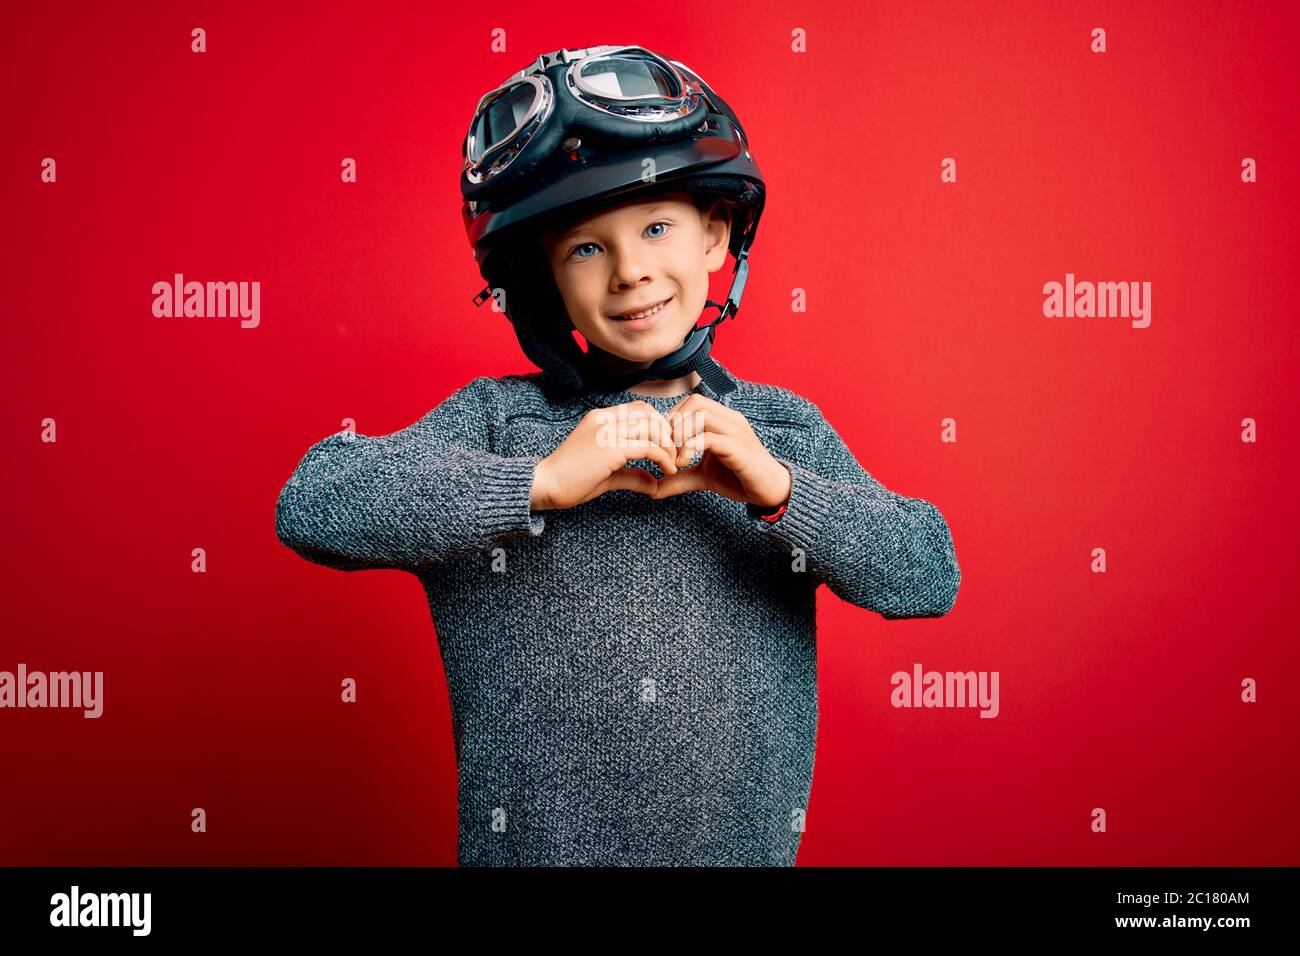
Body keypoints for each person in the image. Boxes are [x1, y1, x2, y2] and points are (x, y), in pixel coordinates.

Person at [275, 45, 961, 866]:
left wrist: (782, 493)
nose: (631, 270)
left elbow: (929, 572)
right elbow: (313, 502)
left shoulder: (778, 433)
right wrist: (539, 483)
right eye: (586, 249)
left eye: (658, 227)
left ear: (715, 235)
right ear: (544, 287)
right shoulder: (501, 424)